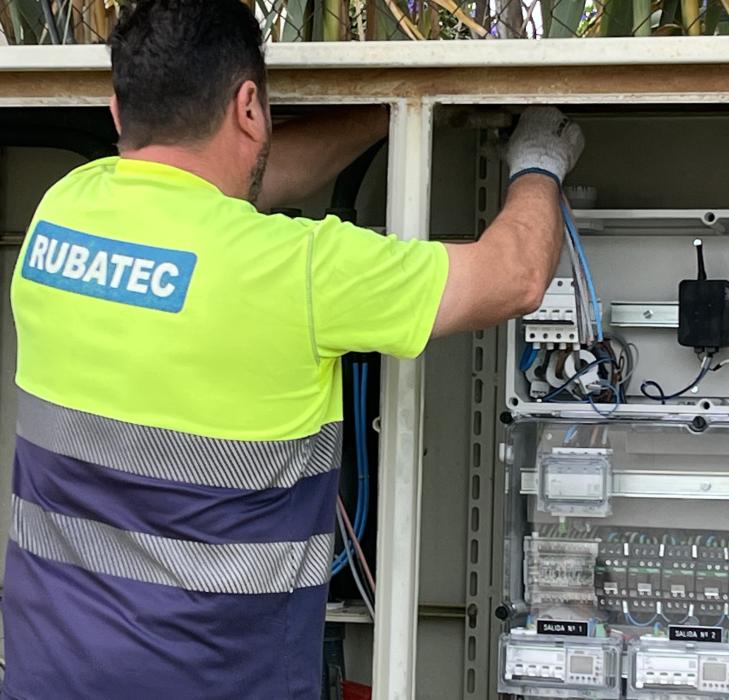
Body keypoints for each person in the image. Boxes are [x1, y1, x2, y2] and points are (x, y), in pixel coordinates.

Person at [1, 0, 583, 697]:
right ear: (249, 107)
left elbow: (238, 183)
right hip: (220, 685)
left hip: (46, 675)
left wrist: (396, 115)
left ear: (118, 110)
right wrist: (541, 160)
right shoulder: (299, 271)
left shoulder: (64, 210)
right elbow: (514, 277)